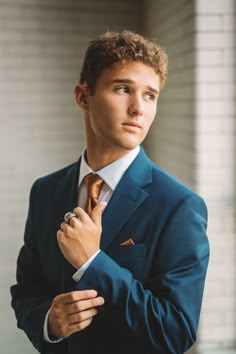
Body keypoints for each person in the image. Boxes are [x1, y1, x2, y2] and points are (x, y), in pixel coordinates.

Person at [10, 30, 210, 354]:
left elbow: (176, 332)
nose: (138, 109)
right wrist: (48, 321)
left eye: (150, 95)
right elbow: (26, 291)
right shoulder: (44, 192)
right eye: (123, 89)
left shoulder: (180, 206)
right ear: (82, 96)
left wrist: (92, 262)